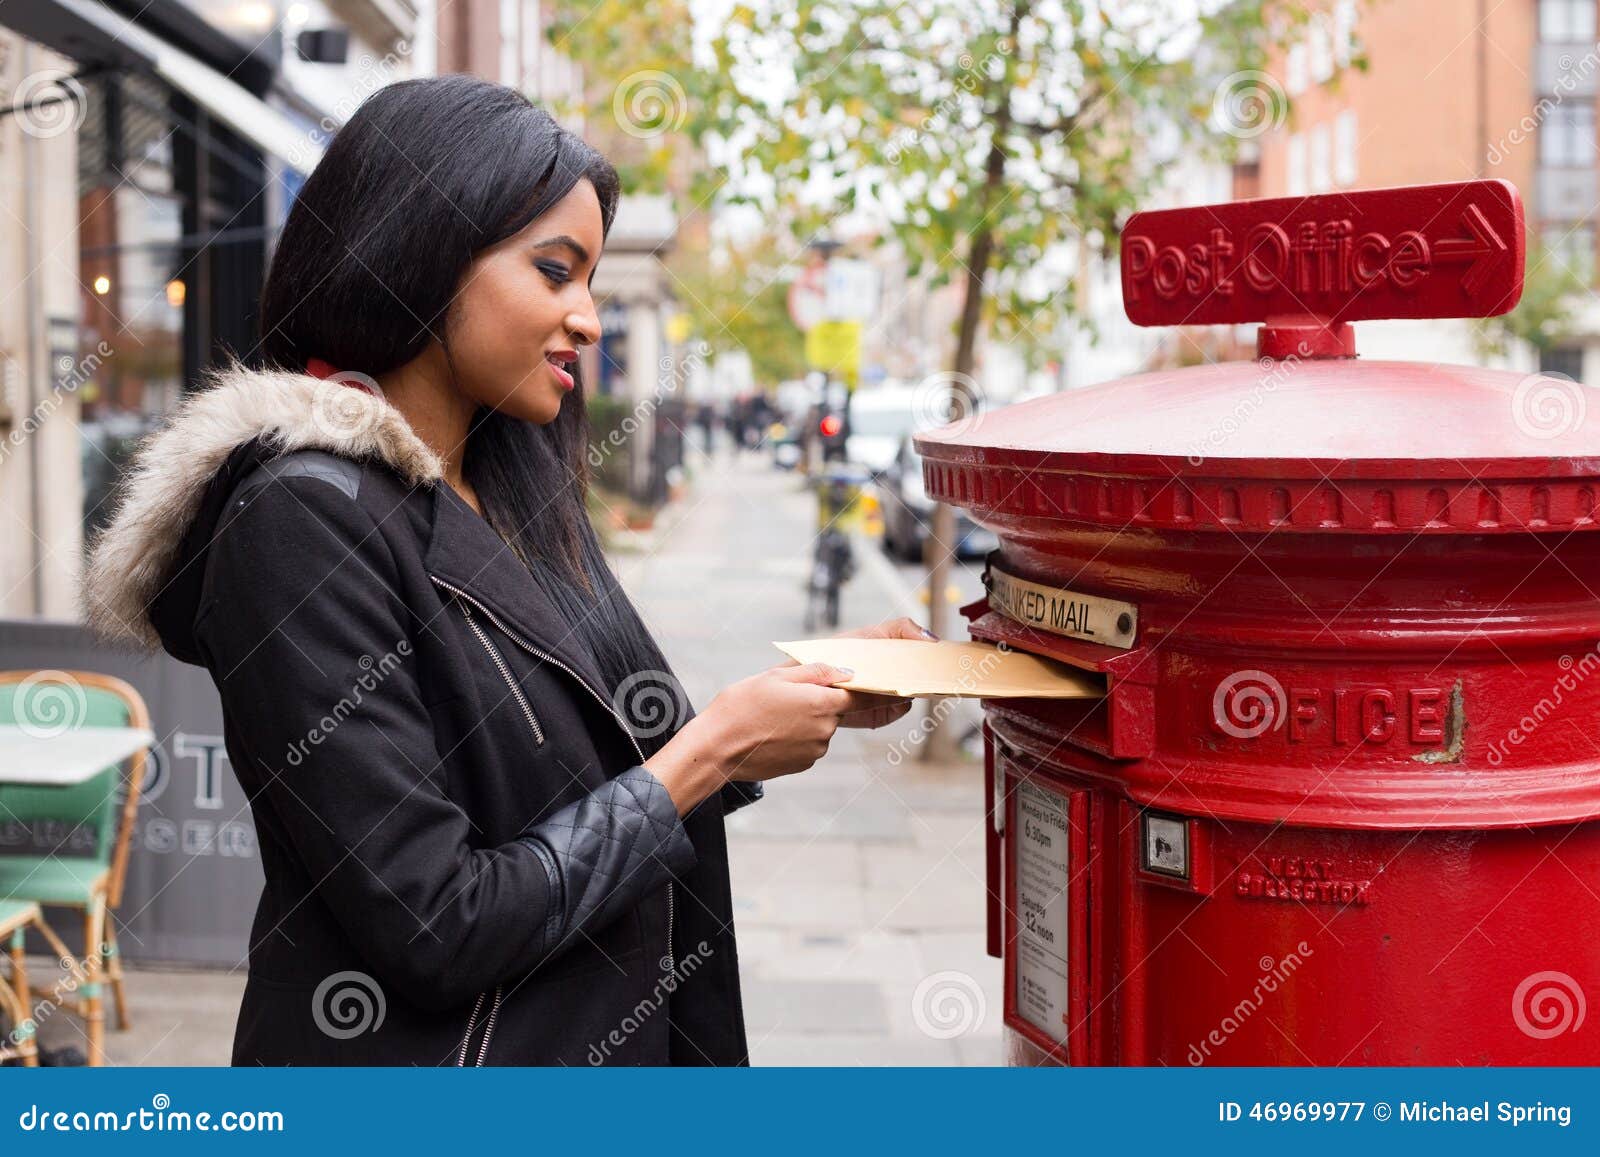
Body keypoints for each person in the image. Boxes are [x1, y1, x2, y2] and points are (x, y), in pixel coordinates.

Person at [83, 75, 931, 1066]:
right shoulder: (300, 518)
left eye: (593, 282)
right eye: (554, 271)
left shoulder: (503, 487)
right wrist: (716, 752)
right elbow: (437, 918)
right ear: (422, 247)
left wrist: (801, 693)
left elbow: (572, 774)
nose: (588, 318)